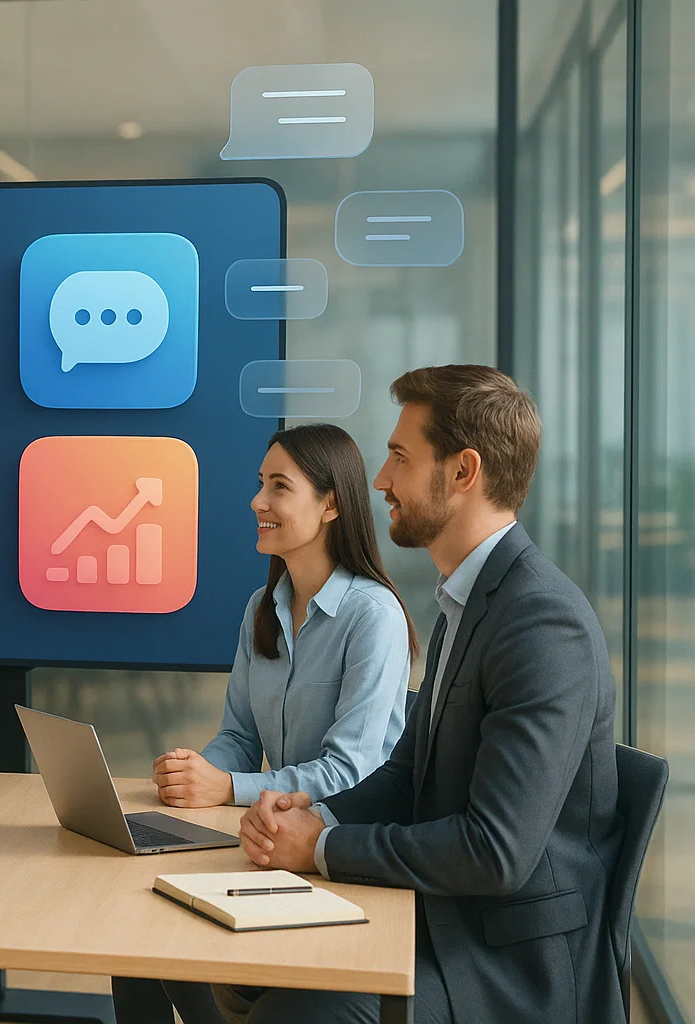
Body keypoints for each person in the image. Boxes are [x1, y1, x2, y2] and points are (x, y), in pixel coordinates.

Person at [231, 365, 623, 1024]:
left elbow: (494, 852)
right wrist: (315, 814)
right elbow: (410, 776)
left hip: (504, 963)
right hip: (440, 917)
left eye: (399, 457)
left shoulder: (540, 624)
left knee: (295, 1008)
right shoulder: (464, 604)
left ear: (463, 472)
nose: (379, 480)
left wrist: (321, 850)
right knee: (231, 964)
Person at [112, 423, 416, 1024]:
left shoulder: (371, 615)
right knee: (136, 939)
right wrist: (196, 772)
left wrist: (227, 789)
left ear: (331, 505)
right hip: (273, 838)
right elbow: (240, 737)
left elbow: (353, 771)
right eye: (260, 484)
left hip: (343, 855)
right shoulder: (263, 608)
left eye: (280, 487)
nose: (258, 502)